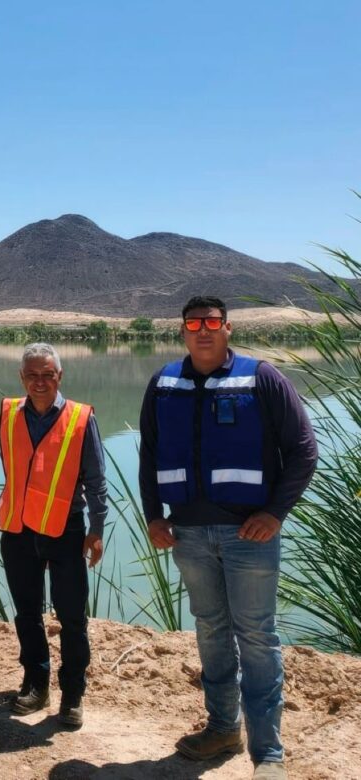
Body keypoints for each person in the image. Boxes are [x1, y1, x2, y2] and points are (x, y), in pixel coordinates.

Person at [140, 296, 316, 780]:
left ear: (227, 328)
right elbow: (149, 454)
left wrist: (275, 513)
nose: (202, 330)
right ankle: (222, 729)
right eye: (193, 323)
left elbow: (303, 451)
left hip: (249, 534)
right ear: (182, 331)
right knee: (211, 631)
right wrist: (153, 516)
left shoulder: (263, 378)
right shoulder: (164, 384)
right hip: (188, 534)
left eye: (211, 323)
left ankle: (269, 756)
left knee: (257, 636)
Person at [0, 342, 107, 729]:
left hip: (65, 530)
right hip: (18, 529)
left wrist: (96, 530)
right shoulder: (8, 414)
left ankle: (72, 694)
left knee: (72, 617)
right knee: (27, 613)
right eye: (33, 375)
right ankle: (35, 683)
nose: (40, 382)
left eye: (48, 375)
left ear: (60, 377)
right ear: (22, 377)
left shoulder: (80, 418)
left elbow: (96, 481)